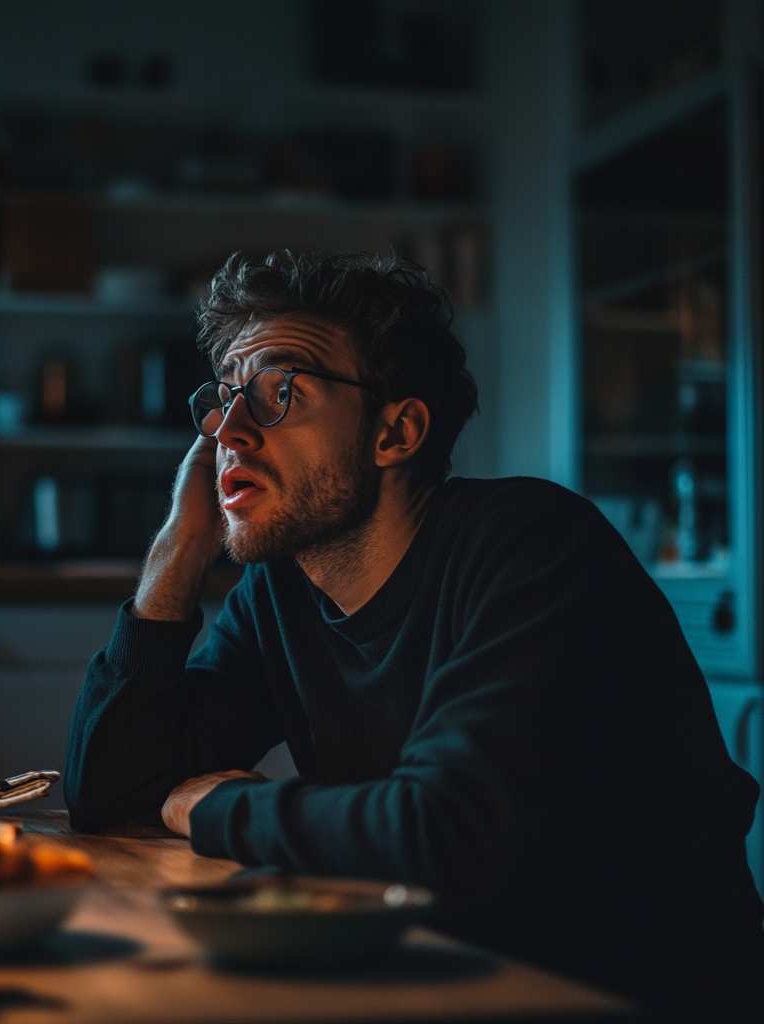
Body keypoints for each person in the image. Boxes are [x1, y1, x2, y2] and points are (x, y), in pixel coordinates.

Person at [64, 251, 763, 1021]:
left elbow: (443, 834)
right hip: (438, 979)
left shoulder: (533, 547)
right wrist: (178, 549)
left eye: (279, 392)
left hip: (628, 997)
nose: (225, 429)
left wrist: (215, 809)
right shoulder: (282, 590)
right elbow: (109, 794)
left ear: (395, 432)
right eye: (225, 397)